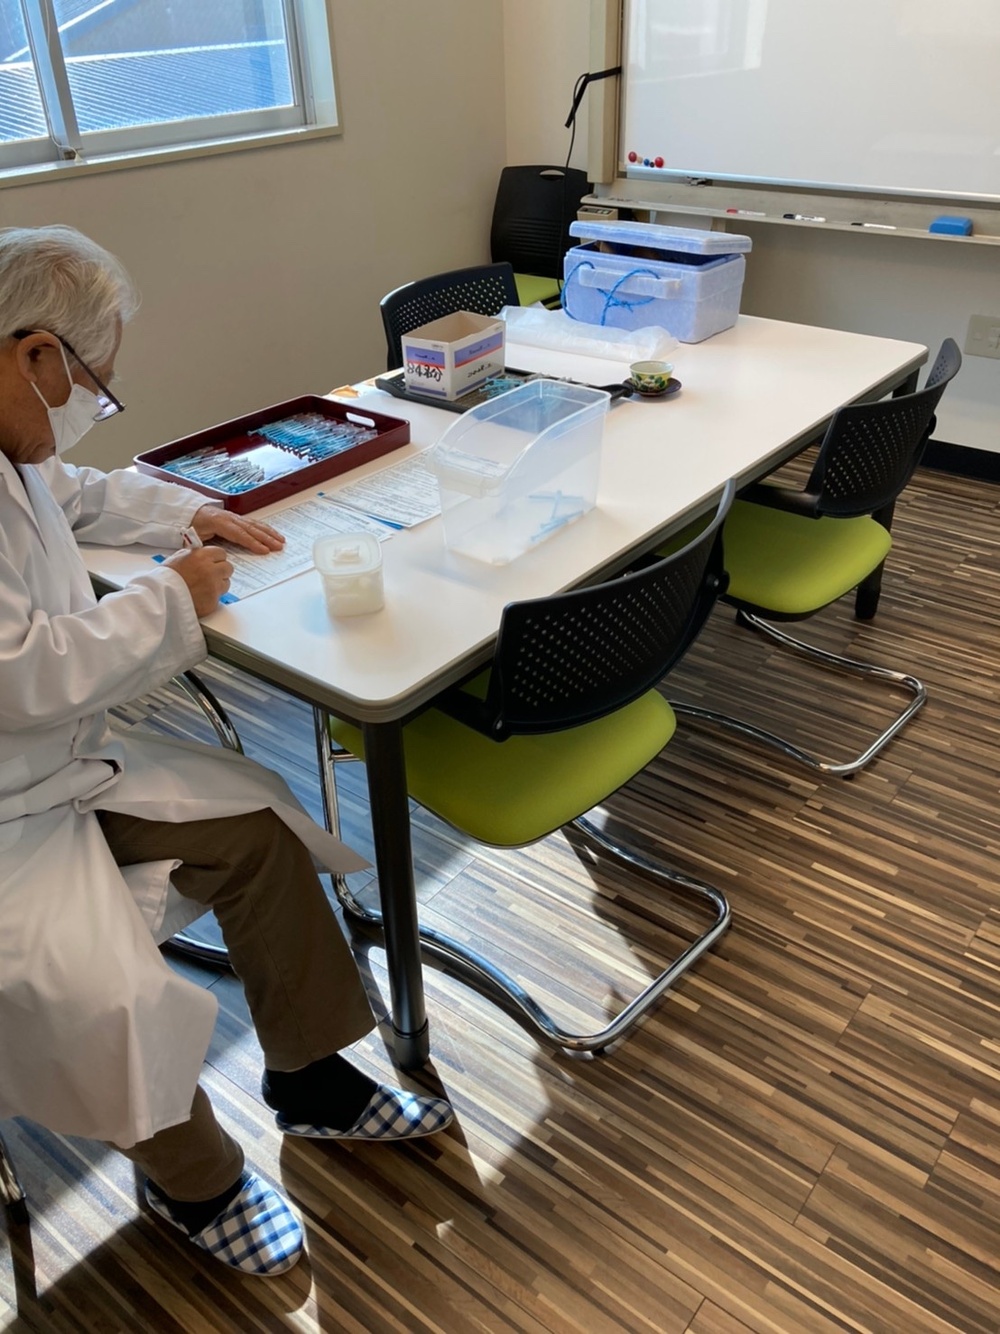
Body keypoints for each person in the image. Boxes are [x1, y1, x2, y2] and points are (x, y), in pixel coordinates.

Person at [0, 225, 452, 1279]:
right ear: (35, 354)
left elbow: (82, 493)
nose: (87, 407)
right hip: (9, 812)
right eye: (90, 385)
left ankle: (309, 1079)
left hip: (58, 772)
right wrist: (174, 597)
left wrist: (191, 509)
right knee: (108, 999)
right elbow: (18, 677)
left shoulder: (14, 453)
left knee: (258, 826)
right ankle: (195, 1183)